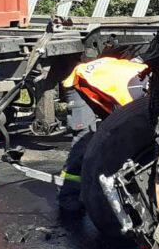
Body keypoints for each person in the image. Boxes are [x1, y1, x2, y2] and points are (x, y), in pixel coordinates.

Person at [57, 56, 148, 216]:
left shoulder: (145, 84)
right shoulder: (134, 92)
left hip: (103, 85)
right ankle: (67, 196)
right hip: (82, 83)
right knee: (84, 139)